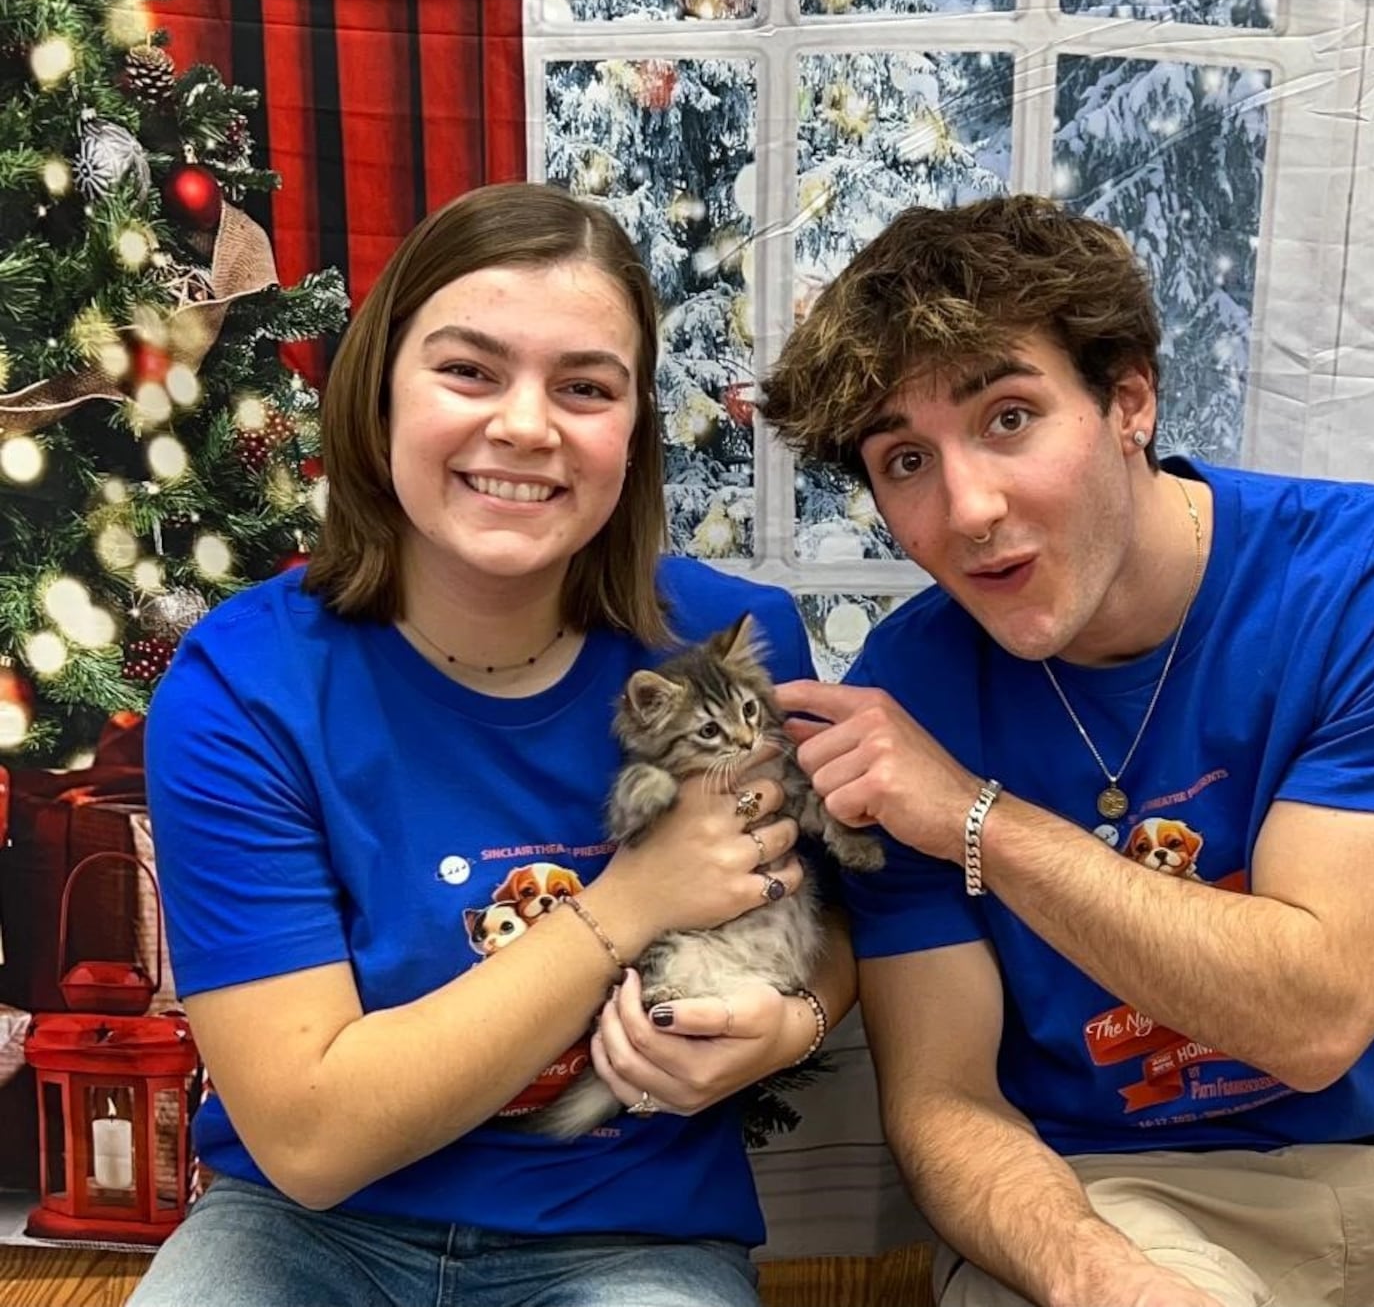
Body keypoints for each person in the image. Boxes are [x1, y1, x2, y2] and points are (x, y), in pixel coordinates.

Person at [759, 194, 1374, 1307]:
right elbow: (944, 1101)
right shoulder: (903, 698)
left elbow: (1313, 1018)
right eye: (904, 459)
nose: (966, 506)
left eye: (1008, 417)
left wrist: (976, 817)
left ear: (1130, 402)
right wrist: (1095, 1272)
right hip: (1111, 1194)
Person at [132, 182, 852, 1307]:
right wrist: (635, 898)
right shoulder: (242, 688)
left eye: (585, 386)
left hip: (631, 1231)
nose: (525, 424)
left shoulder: (733, 646)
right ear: (378, 398)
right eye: (469, 370)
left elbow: (830, 925)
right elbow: (315, 1137)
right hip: (306, 1229)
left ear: (631, 432)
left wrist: (794, 1020)